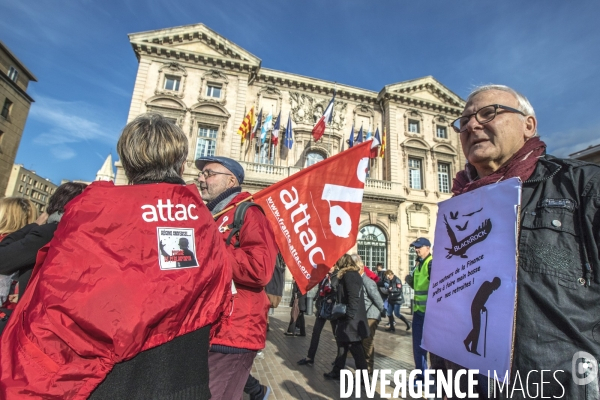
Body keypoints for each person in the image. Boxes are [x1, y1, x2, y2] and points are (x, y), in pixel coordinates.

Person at [0, 113, 233, 399]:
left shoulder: (94, 212)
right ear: (181, 163)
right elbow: (219, 299)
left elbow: (56, 303)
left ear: (129, 163)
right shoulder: (204, 221)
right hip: (186, 379)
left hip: (110, 381)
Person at [447, 84, 600, 398]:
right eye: (464, 122)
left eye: (488, 113)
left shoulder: (583, 187)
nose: (472, 125)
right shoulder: (458, 208)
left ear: (528, 125)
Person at [195, 155, 277, 400]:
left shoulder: (248, 212)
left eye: (209, 173)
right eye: (201, 174)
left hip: (235, 329)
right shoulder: (214, 215)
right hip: (211, 327)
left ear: (231, 180)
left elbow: (260, 268)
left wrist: (208, 248)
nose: (201, 178)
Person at [0, 182, 87, 313]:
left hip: (34, 316)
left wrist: (34, 225)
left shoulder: (50, 232)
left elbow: (3, 260)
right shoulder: (83, 237)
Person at [324, 254, 369, 380]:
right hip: (348, 318)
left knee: (356, 348)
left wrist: (349, 316)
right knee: (342, 345)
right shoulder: (349, 275)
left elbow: (353, 297)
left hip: (351, 319)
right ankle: (337, 371)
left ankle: (364, 378)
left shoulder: (350, 275)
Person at [297, 265, 338, 366]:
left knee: (336, 334)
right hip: (322, 308)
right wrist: (316, 298)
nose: (329, 268)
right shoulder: (324, 276)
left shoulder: (337, 276)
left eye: (332, 266)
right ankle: (310, 357)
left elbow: (338, 291)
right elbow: (320, 289)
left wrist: (332, 298)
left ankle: (339, 359)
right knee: (316, 332)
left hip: (332, 309)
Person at [352, 254, 385, 374]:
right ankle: (364, 365)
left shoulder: (367, 281)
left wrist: (383, 310)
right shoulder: (359, 280)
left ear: (360, 268)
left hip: (372, 314)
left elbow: (376, 297)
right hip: (365, 314)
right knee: (364, 340)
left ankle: (368, 367)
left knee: (367, 341)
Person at [405, 237, 432, 383]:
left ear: (427, 248)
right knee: (418, 346)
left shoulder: (431, 263)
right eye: (415, 247)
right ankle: (421, 375)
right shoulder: (418, 265)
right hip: (418, 312)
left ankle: (433, 376)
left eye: (419, 247)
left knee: (431, 347)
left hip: (430, 314)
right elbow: (418, 287)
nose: (416, 249)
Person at [463, 277, 501, 356]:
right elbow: (479, 297)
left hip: (477, 307)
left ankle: (471, 345)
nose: (496, 289)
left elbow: (481, 300)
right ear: (494, 283)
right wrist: (481, 306)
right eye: (496, 286)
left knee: (476, 328)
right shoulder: (487, 285)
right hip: (475, 307)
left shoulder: (489, 289)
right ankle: (468, 343)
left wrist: (482, 306)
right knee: (477, 328)